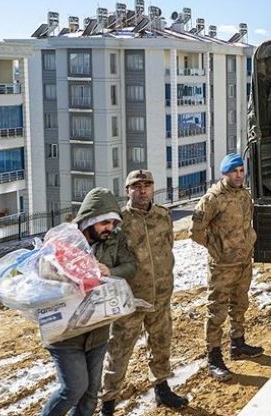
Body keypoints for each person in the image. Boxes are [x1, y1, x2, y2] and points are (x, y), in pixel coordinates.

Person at [41, 188, 137, 416]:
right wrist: (75, 276)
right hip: (66, 332)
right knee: (73, 389)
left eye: (113, 223)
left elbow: (131, 266)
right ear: (90, 219)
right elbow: (44, 278)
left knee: (91, 393)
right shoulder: (63, 243)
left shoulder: (114, 240)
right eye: (105, 223)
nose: (109, 229)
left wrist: (109, 270)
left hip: (97, 330)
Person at [99, 171, 187, 414]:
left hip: (160, 296)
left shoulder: (162, 216)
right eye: (136, 186)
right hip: (131, 300)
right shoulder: (119, 222)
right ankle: (108, 402)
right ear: (127, 190)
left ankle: (162, 388)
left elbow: (168, 247)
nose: (142, 190)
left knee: (160, 344)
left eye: (147, 185)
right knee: (119, 352)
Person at [190, 153, 264, 382]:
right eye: (235, 171)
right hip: (222, 266)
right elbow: (196, 232)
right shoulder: (213, 198)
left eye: (242, 170)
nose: (239, 175)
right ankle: (213, 357)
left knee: (240, 304)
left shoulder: (244, 195)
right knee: (216, 311)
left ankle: (238, 344)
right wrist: (218, 249)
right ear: (225, 173)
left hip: (243, 261)